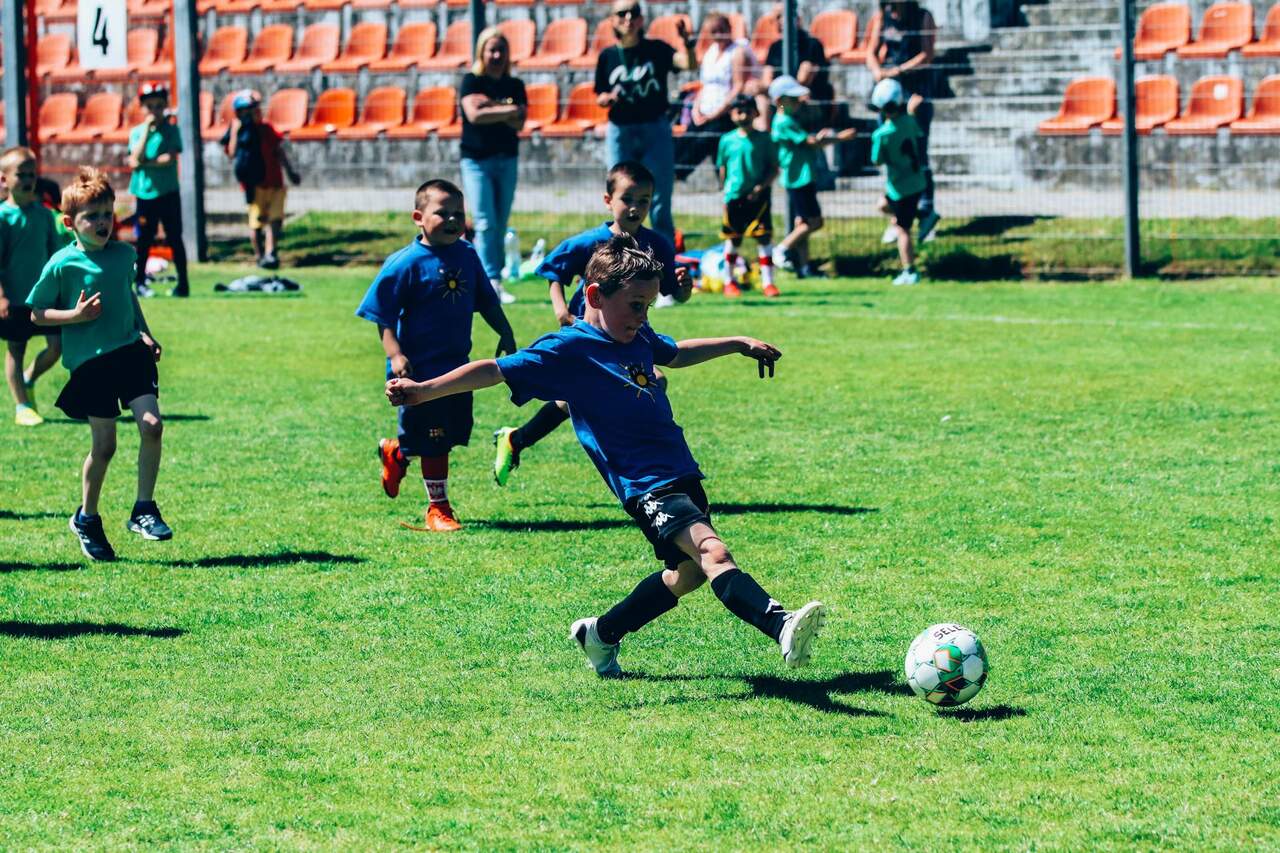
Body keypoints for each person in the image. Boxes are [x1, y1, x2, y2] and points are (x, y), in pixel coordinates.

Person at [386, 234, 827, 677]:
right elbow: (494, 370)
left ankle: (601, 633)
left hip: (680, 470)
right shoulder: (569, 349)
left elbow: (674, 353)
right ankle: (780, 623)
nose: (643, 316)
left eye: (648, 306)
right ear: (595, 296)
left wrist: (738, 342)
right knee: (714, 552)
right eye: (635, 305)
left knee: (690, 574)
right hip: (645, 484)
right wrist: (424, 390)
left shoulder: (636, 334)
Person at [490, 160, 692, 486]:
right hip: (586, 334)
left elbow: (672, 293)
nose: (635, 207)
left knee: (586, 393)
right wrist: (561, 310)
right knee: (643, 380)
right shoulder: (590, 242)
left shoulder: (657, 245)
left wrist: (684, 289)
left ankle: (517, 439)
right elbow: (554, 272)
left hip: (630, 334)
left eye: (644, 200)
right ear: (608, 200)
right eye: (627, 199)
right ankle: (626, 449)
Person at [27, 167, 170, 561]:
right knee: (104, 447)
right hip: (91, 365)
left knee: (152, 425)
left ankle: (144, 509)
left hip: (130, 352)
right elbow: (37, 314)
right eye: (93, 217)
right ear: (70, 223)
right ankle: (87, 518)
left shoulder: (124, 255)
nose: (103, 222)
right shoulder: (62, 264)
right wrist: (74, 317)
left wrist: (145, 332)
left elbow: (127, 296)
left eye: (108, 214)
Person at [357, 179, 517, 532]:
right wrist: (396, 355)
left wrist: (505, 332)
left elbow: (487, 301)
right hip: (417, 372)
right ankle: (438, 509)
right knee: (434, 440)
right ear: (418, 217)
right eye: (442, 213)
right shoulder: (405, 263)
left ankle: (397, 454)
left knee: (448, 433)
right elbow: (382, 316)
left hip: (457, 367)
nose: (452, 219)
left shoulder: (467, 255)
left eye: (458, 213)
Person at [595, 0, 697, 244]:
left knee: (660, 197)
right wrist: (607, 99)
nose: (628, 18)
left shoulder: (656, 49)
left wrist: (687, 44)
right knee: (620, 194)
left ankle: (664, 257)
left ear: (642, 19)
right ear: (612, 20)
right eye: (622, 13)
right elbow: (600, 94)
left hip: (655, 128)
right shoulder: (608, 56)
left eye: (634, 13)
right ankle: (620, 254)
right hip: (621, 130)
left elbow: (689, 64)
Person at [459, 27, 527, 306]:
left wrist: (491, 107)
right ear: (482, 52)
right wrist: (507, 109)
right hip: (476, 161)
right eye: (492, 50)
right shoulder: (471, 82)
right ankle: (490, 281)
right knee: (485, 222)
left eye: (501, 50)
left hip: (507, 159)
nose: (497, 55)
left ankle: (491, 280)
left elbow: (520, 121)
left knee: (499, 222)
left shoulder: (515, 85)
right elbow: (474, 115)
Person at [866, 0, 941, 243]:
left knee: (917, 153)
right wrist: (878, 71)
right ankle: (900, 218)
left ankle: (926, 211)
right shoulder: (883, 16)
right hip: (889, 94)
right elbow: (871, 52)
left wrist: (898, 70)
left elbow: (927, 54)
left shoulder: (923, 16)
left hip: (914, 93)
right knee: (892, 154)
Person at [0, 146, 64, 426]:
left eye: (32, 174)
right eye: (21, 175)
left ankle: (28, 379)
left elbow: (55, 256)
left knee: (56, 347)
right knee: (16, 349)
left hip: (43, 299)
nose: (28, 180)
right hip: (14, 299)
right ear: (4, 179)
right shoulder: (3, 217)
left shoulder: (44, 215)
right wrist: (1, 296)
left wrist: (60, 288)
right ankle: (22, 406)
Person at [768, 76, 855, 278]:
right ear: (780, 101)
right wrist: (840, 138)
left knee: (803, 223)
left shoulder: (787, 120)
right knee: (814, 222)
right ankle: (781, 249)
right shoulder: (784, 122)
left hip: (801, 177)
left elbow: (810, 141)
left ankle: (805, 268)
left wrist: (821, 139)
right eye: (793, 99)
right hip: (799, 178)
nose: (798, 102)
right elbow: (811, 143)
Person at [675, 13, 763, 177]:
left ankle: (680, 175)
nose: (719, 35)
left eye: (722, 30)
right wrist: (696, 109)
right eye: (714, 31)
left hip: (724, 114)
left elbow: (738, 86)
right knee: (682, 145)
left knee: (704, 146)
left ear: (729, 28)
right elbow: (704, 85)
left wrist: (716, 113)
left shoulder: (737, 52)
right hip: (703, 112)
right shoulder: (710, 52)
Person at [221, 90, 300, 269]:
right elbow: (231, 153)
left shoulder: (266, 129)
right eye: (247, 112)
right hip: (254, 186)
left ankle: (271, 253)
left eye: (254, 110)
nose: (252, 115)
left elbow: (279, 152)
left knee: (275, 219)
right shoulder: (238, 132)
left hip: (275, 182)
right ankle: (259, 256)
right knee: (256, 223)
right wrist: (235, 132)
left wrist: (290, 172)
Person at [127, 82, 190, 299]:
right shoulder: (137, 132)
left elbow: (169, 158)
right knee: (144, 239)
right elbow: (134, 158)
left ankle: (183, 283)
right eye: (150, 106)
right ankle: (140, 282)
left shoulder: (171, 130)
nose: (154, 110)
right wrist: (146, 131)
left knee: (175, 237)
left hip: (168, 192)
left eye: (159, 105)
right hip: (144, 194)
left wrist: (146, 163)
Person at [715, 95, 779, 299]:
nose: (743, 116)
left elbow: (774, 168)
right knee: (733, 239)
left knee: (763, 236)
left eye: (747, 111)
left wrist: (761, 187)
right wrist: (725, 192)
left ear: (756, 113)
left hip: (758, 197)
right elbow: (723, 168)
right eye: (738, 112)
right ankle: (728, 281)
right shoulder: (726, 140)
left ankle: (768, 282)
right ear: (731, 114)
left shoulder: (765, 139)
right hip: (734, 197)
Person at [870, 79, 927, 286]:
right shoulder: (909, 122)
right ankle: (924, 215)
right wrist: (911, 112)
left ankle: (909, 270)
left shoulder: (882, 134)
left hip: (900, 187)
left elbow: (876, 160)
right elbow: (916, 132)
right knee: (883, 205)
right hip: (917, 181)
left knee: (903, 230)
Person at [760, 3, 835, 132]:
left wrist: (784, 93)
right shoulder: (774, 47)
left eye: (782, 16)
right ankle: (766, 136)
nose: (779, 21)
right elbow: (767, 80)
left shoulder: (813, 44)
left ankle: (794, 134)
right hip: (780, 104)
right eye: (776, 18)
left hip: (804, 101)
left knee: (795, 100)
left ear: (796, 17)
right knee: (761, 99)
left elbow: (803, 80)